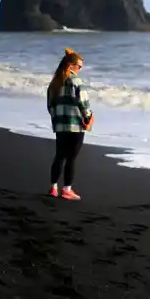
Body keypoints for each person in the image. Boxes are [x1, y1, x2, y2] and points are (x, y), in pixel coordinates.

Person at [46, 47, 95, 200]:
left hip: (60, 126)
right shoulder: (76, 81)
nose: (80, 70)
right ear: (71, 65)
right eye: (79, 66)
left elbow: (50, 107)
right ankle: (67, 190)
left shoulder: (54, 83)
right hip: (75, 125)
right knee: (71, 158)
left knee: (59, 156)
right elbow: (84, 104)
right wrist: (89, 119)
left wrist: (57, 120)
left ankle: (53, 188)